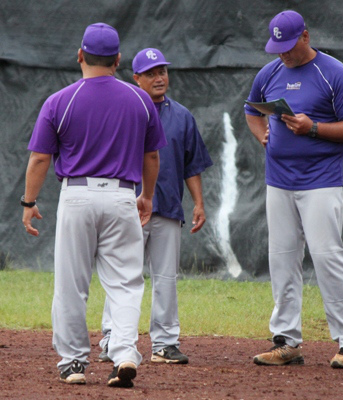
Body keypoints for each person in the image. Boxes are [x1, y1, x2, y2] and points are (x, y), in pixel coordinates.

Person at [21, 23, 167, 387]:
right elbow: (152, 156)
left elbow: (40, 158)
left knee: (71, 284)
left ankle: (73, 362)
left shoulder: (60, 100)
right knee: (125, 283)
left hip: (78, 195)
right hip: (122, 195)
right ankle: (124, 353)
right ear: (118, 60)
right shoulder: (140, 99)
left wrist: (29, 201)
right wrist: (147, 196)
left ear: (80, 56)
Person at [244, 10, 343, 368]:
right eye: (277, 47)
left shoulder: (335, 74)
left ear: (306, 36)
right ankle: (286, 341)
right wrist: (262, 134)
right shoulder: (270, 73)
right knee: (282, 259)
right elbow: (251, 109)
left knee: (328, 258)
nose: (282, 53)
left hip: (320, 181)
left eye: (288, 45)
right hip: (278, 181)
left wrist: (313, 127)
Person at [98, 48, 213, 365]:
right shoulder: (123, 111)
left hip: (168, 208)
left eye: (162, 71)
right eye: (151, 73)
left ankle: (165, 343)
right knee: (123, 276)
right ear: (136, 78)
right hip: (128, 207)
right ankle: (111, 337)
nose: (159, 78)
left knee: (166, 278)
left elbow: (192, 165)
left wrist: (199, 203)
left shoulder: (182, 116)